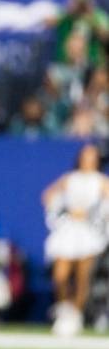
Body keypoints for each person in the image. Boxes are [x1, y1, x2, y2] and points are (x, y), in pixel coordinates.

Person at [43, 143, 109, 336]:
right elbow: (48, 195)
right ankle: (64, 310)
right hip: (68, 229)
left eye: (92, 156)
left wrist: (94, 215)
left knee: (82, 277)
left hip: (88, 231)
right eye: (85, 155)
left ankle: (77, 315)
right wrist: (63, 211)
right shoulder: (69, 179)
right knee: (61, 276)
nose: (88, 159)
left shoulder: (102, 181)